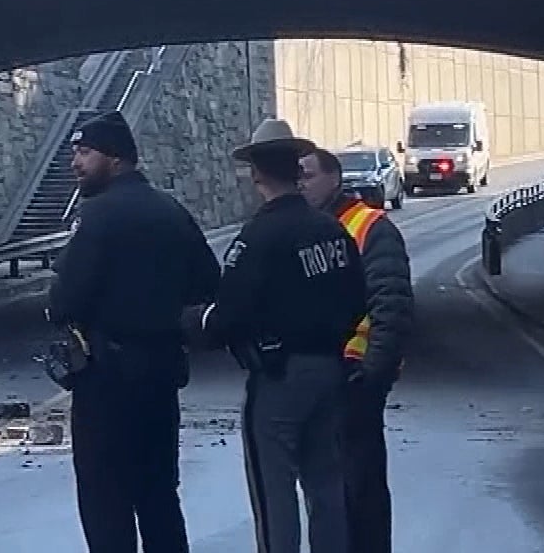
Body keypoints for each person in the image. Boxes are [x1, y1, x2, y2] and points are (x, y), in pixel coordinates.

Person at [188, 119, 366, 553]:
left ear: (257, 174)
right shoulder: (332, 229)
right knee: (326, 486)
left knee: (275, 492)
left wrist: (190, 322)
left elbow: (228, 315)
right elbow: (359, 297)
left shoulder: (259, 236)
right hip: (330, 371)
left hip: (279, 377)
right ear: (296, 170)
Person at [48, 110, 220, 553]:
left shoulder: (98, 216)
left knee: (107, 505)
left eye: (85, 153)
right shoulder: (171, 211)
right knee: (159, 497)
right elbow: (209, 282)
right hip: (160, 376)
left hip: (106, 382)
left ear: (116, 158)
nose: (75, 162)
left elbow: (64, 301)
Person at [300, 147, 415, 553]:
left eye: (308, 175)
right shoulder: (310, 227)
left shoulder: (368, 226)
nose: (300, 183)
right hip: (323, 378)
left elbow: (392, 304)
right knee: (329, 494)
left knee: (359, 489)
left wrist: (373, 371)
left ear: (334, 178)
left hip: (356, 377)